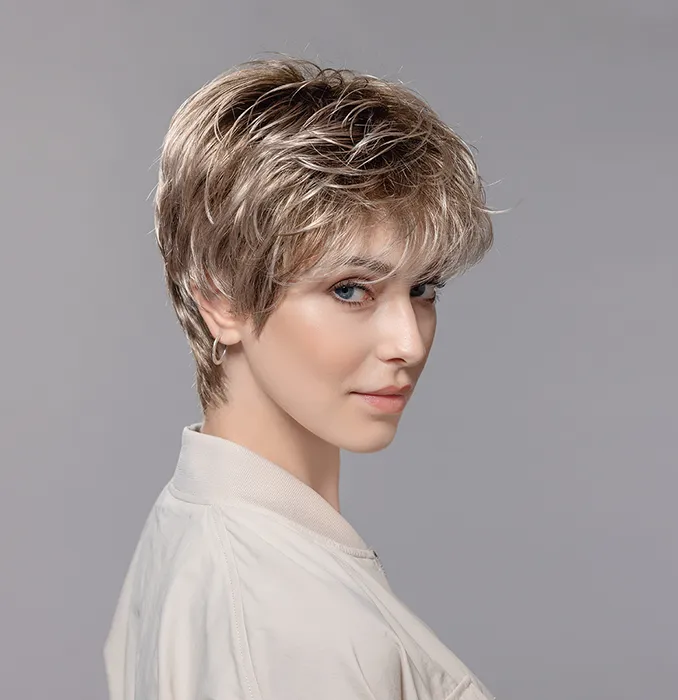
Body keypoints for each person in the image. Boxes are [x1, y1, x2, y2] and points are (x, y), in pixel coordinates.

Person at [104, 55, 497, 700]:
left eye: (423, 288)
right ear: (221, 297)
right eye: (350, 289)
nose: (408, 343)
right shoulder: (285, 625)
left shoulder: (198, 521)